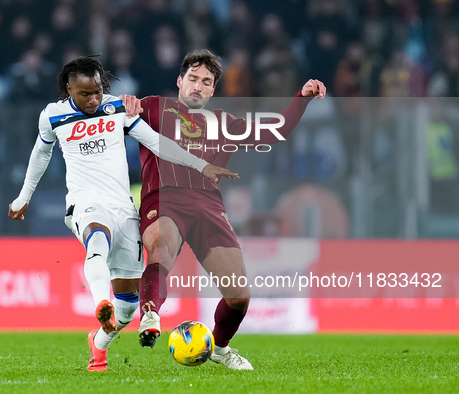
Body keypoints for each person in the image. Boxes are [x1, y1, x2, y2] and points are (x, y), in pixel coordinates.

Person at [7, 56, 236, 372]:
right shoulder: (53, 116)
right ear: (69, 89)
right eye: (86, 94)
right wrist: (23, 197)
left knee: (127, 308)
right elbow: (40, 155)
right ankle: (101, 301)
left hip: (124, 207)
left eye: (98, 92)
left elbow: (157, 143)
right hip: (85, 202)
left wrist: (200, 165)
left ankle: (98, 344)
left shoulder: (117, 108)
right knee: (97, 240)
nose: (94, 99)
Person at [135, 49, 326, 370]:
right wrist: (123, 103)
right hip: (164, 197)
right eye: (192, 79)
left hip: (207, 204)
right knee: (159, 250)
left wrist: (302, 98)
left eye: (206, 82)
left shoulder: (223, 123)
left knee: (239, 296)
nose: (197, 86)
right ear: (179, 81)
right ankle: (150, 315)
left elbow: (275, 131)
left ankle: (220, 348)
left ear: (212, 90)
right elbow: (104, 112)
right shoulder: (153, 107)